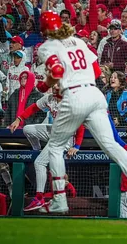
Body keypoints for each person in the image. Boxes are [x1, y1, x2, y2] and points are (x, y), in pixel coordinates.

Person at [35, 11, 127, 213]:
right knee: (109, 144)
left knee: (54, 147)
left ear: (44, 29)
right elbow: (97, 72)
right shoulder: (78, 42)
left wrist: (44, 87)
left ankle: (59, 199)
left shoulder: (47, 46)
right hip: (95, 94)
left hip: (75, 95)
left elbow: (57, 72)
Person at [8, 83, 85, 211]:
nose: (54, 87)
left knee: (39, 163)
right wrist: (18, 119)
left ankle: (39, 198)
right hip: (53, 132)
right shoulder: (50, 98)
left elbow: (81, 125)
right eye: (53, 85)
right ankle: (36, 150)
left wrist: (76, 145)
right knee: (27, 129)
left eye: (57, 86)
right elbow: (33, 107)